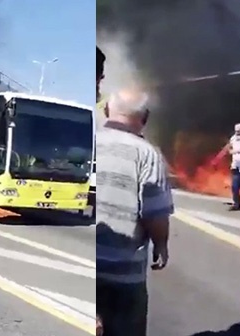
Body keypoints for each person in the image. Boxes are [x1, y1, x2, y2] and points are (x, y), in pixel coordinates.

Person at [96, 89, 173, 336]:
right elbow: (155, 213)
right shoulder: (147, 154)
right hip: (123, 272)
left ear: (107, 109)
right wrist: (161, 245)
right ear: (145, 117)